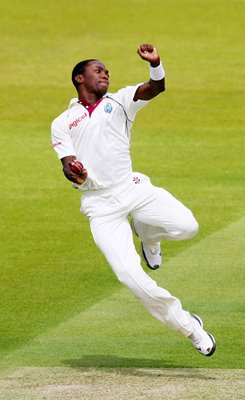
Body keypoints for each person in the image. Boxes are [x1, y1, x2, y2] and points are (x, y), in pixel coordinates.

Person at [51, 43, 216, 357]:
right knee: (132, 278)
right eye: (98, 71)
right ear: (78, 78)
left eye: (107, 72)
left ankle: (149, 236)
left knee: (188, 227)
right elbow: (67, 165)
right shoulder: (62, 122)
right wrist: (76, 173)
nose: (105, 75)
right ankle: (190, 327)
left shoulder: (121, 100)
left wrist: (156, 64)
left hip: (133, 188)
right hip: (99, 206)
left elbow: (156, 87)